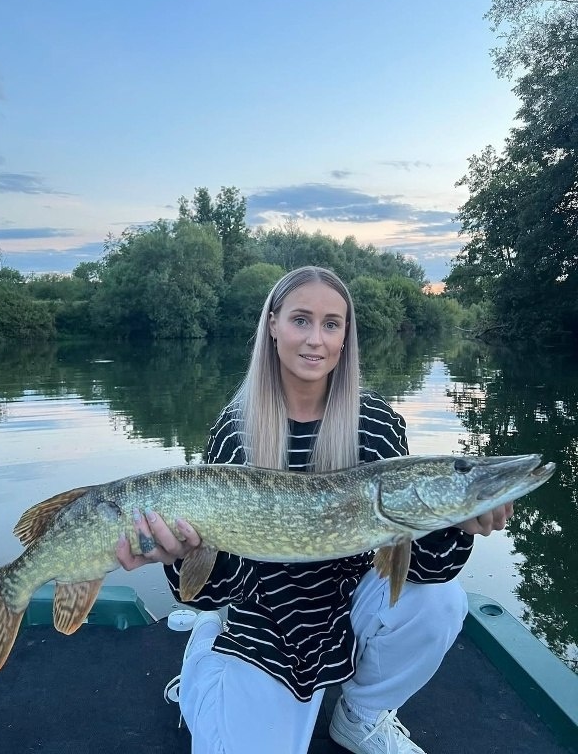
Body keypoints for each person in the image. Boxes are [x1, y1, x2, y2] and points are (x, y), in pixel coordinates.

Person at [116, 266, 514, 754]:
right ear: (273, 325)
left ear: (345, 337)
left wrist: (457, 525)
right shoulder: (235, 430)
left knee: (441, 602)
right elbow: (211, 588)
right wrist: (180, 554)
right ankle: (205, 657)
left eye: (331, 324)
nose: (316, 339)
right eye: (301, 320)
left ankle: (360, 715)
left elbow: (423, 570)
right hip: (265, 611)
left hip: (348, 600)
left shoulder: (375, 422)